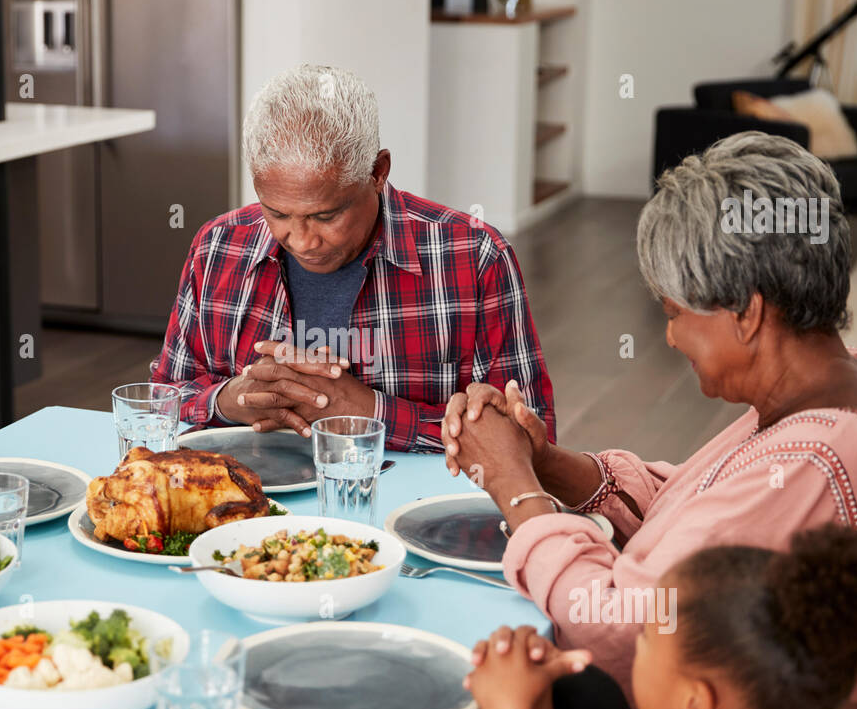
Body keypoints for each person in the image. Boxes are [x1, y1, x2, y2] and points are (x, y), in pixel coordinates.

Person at [441, 131, 857, 709]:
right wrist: (547, 462)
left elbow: (616, 630)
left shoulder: (818, 465)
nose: (671, 336)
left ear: (747, 314)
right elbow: (702, 503)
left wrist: (516, 487)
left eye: (676, 312)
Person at [151, 63, 554, 452]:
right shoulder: (219, 246)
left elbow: (529, 439)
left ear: (378, 172)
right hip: (243, 511)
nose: (303, 241)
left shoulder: (474, 257)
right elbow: (162, 400)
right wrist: (228, 399)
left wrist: (369, 411)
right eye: (276, 213)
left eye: (325, 216)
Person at [443, 526, 857, 709]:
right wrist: (531, 701)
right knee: (579, 690)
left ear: (695, 702)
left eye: (647, 635)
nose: (635, 639)